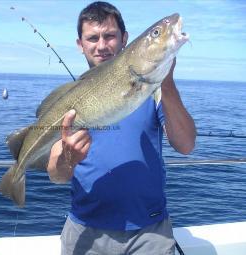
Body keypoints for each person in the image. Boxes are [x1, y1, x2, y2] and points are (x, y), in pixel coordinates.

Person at [47, 1, 196, 254]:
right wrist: (68, 159)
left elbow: (186, 145)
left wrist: (167, 83)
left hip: (150, 232)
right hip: (86, 230)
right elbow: (57, 176)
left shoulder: (154, 90)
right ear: (80, 44)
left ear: (125, 39)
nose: (102, 45)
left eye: (110, 36)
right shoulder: (68, 102)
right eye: (93, 38)